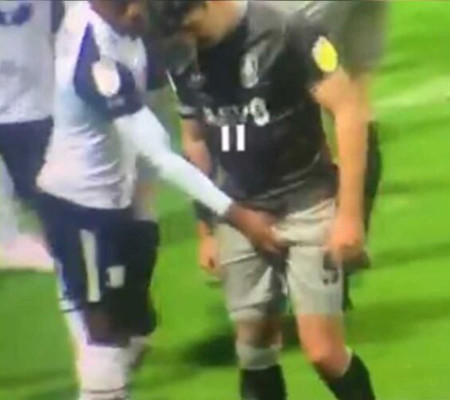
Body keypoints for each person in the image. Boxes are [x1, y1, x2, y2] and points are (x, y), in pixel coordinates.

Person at [36, 1, 283, 399]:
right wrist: (237, 215)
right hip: (80, 211)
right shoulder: (95, 61)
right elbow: (162, 157)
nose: (140, 10)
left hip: (124, 200)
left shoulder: (121, 25)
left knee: (137, 328)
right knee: (105, 337)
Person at [150, 1, 376, 399]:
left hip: (306, 203)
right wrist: (206, 229)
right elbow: (196, 139)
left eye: (190, 29)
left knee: (323, 351)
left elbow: (347, 110)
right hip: (238, 212)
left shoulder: (286, 31)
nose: (187, 44)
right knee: (254, 347)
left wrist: (349, 216)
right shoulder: (181, 50)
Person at [0, 0, 65, 271]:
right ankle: (9, 242)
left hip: (34, 103)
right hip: (30, 102)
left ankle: (56, 239)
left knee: (46, 189)